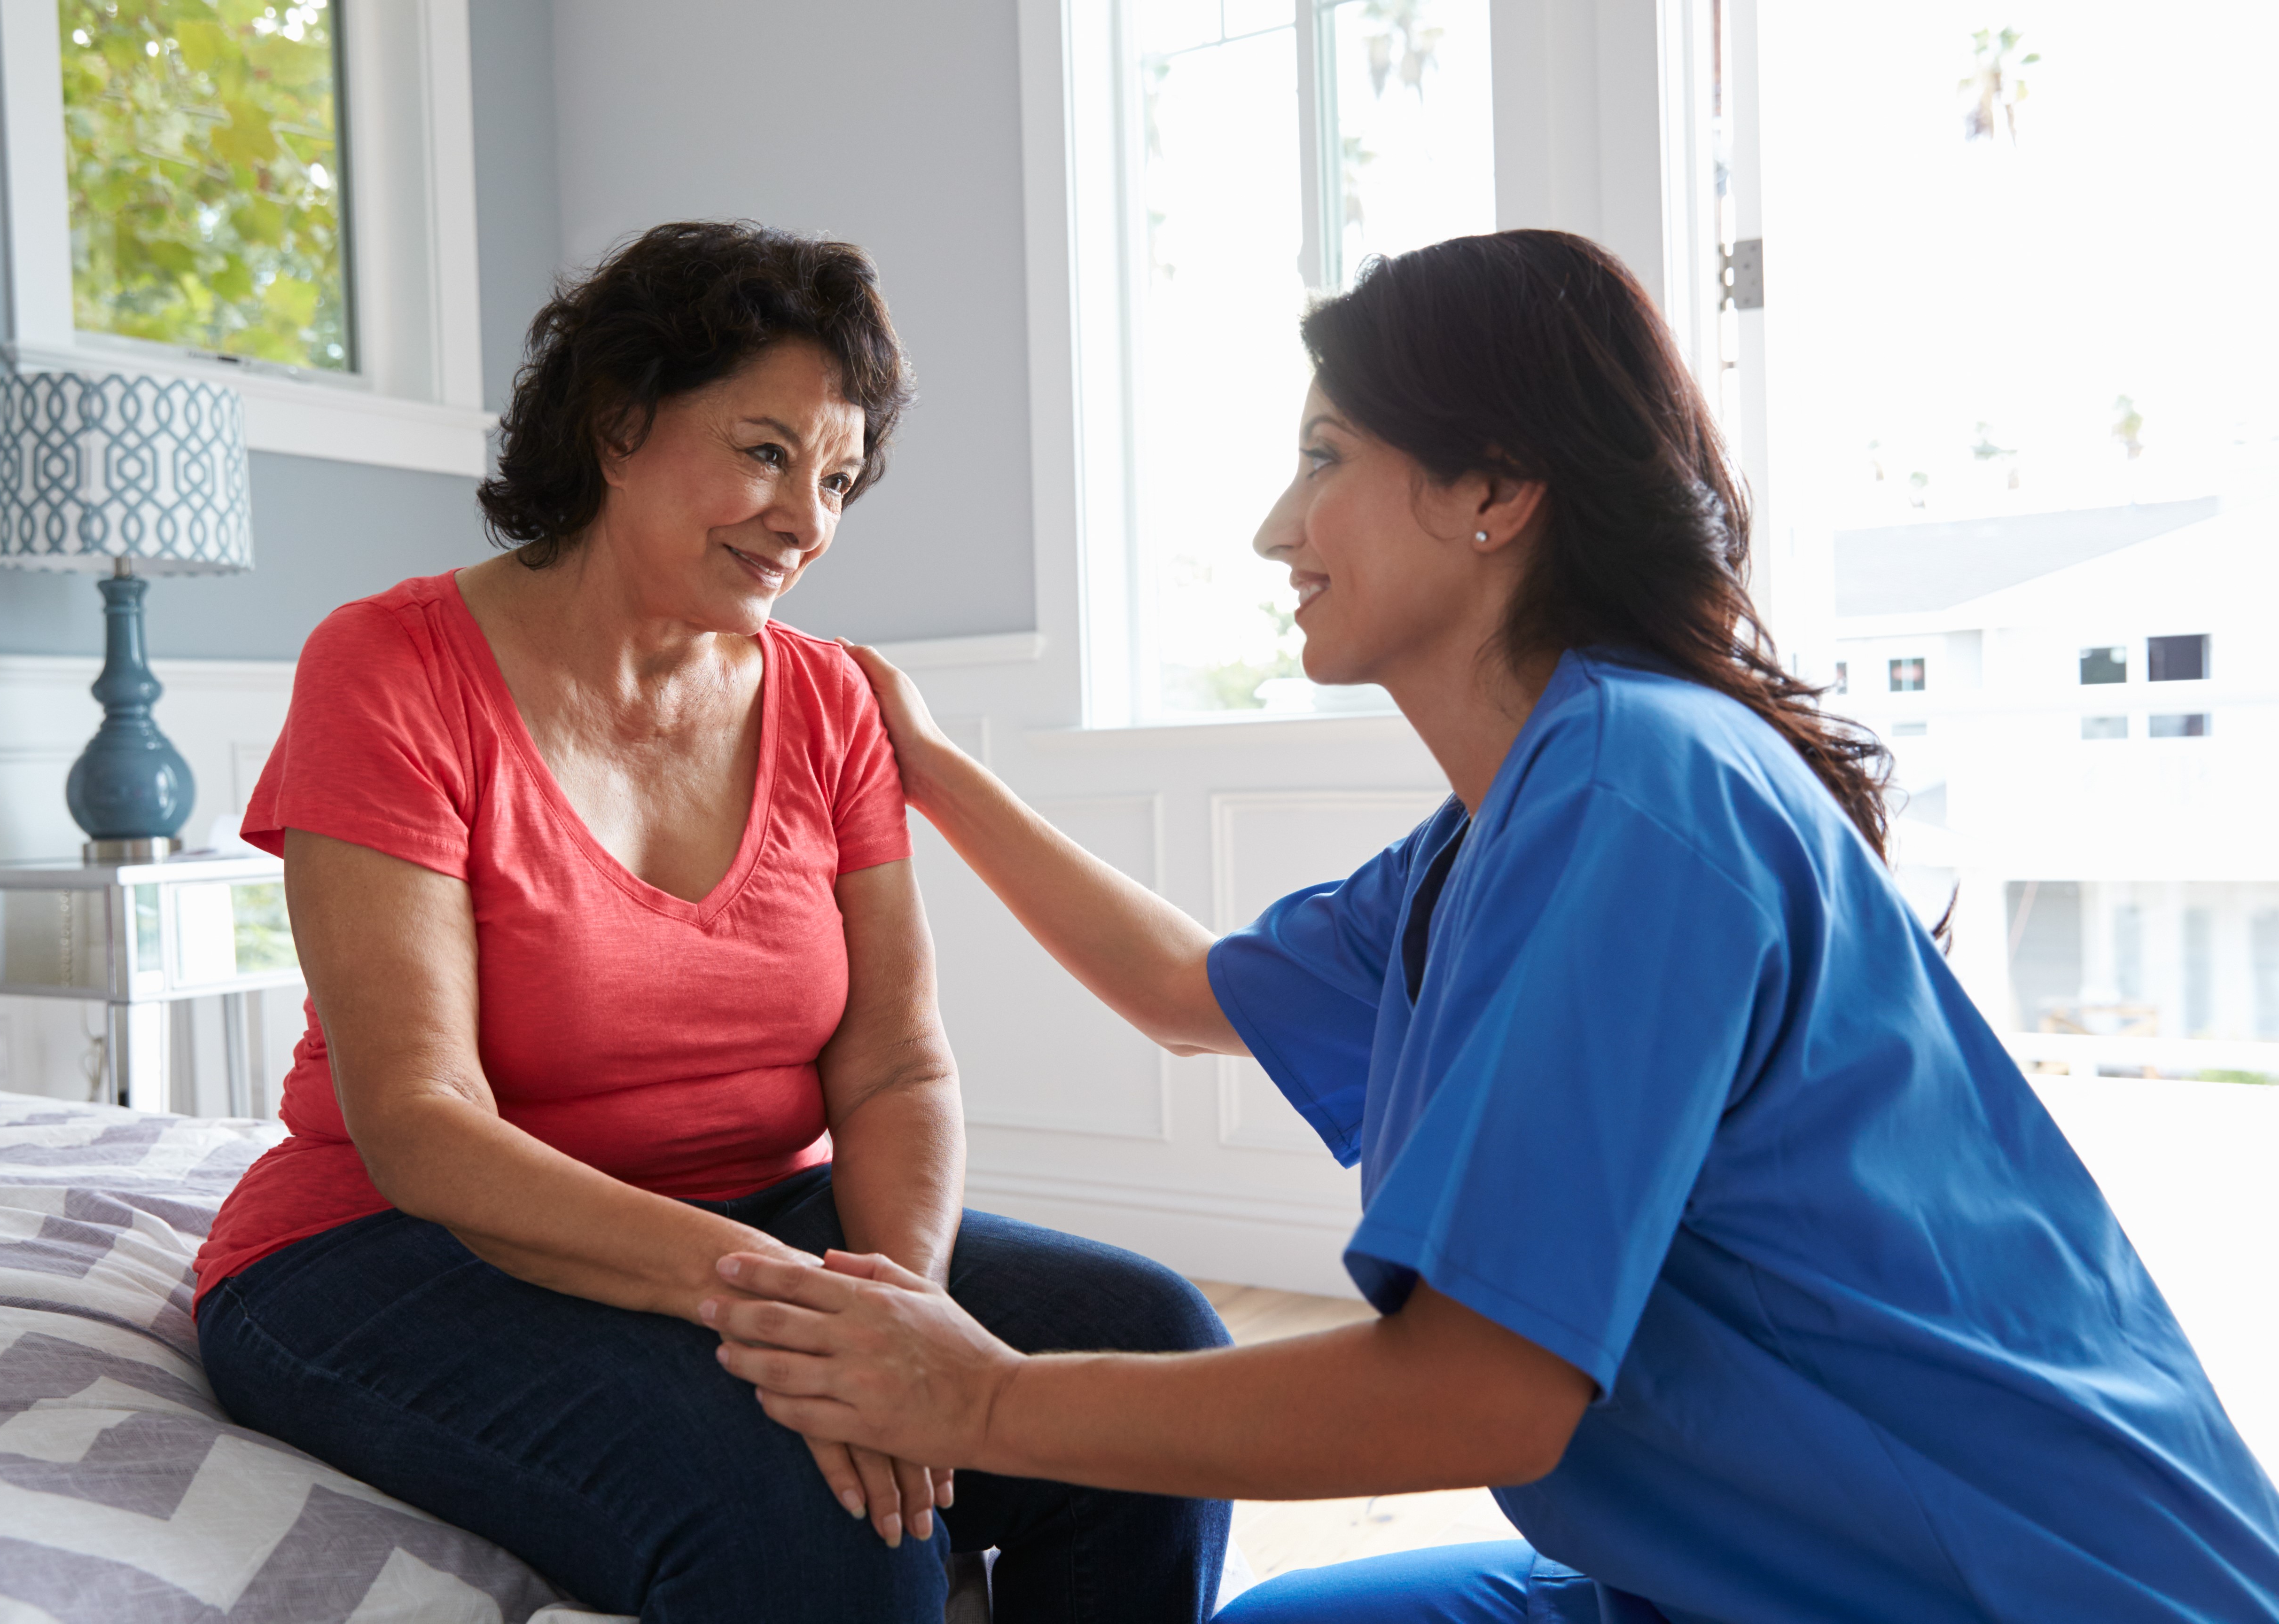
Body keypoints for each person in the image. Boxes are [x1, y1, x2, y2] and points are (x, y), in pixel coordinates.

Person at [701, 230, 2279, 1622]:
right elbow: (1184, 990)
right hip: (1713, 1567)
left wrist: (984, 1405)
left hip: (2009, 1584)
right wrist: (933, 768)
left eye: (1325, 456)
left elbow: (1476, 1399)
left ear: (1499, 490)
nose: (1274, 527)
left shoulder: (1639, 796)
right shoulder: (1512, 819)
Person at [191, 220, 1230, 1624]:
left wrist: (895, 1311)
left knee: (1157, 1358)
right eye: (765, 451)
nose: (808, 520)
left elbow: (893, 1066)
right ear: (619, 425)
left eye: (842, 477)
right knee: (811, 1510)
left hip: (758, 1217)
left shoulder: (827, 698)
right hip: (392, 1248)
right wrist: (802, 1318)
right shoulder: (390, 668)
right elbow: (421, 1119)